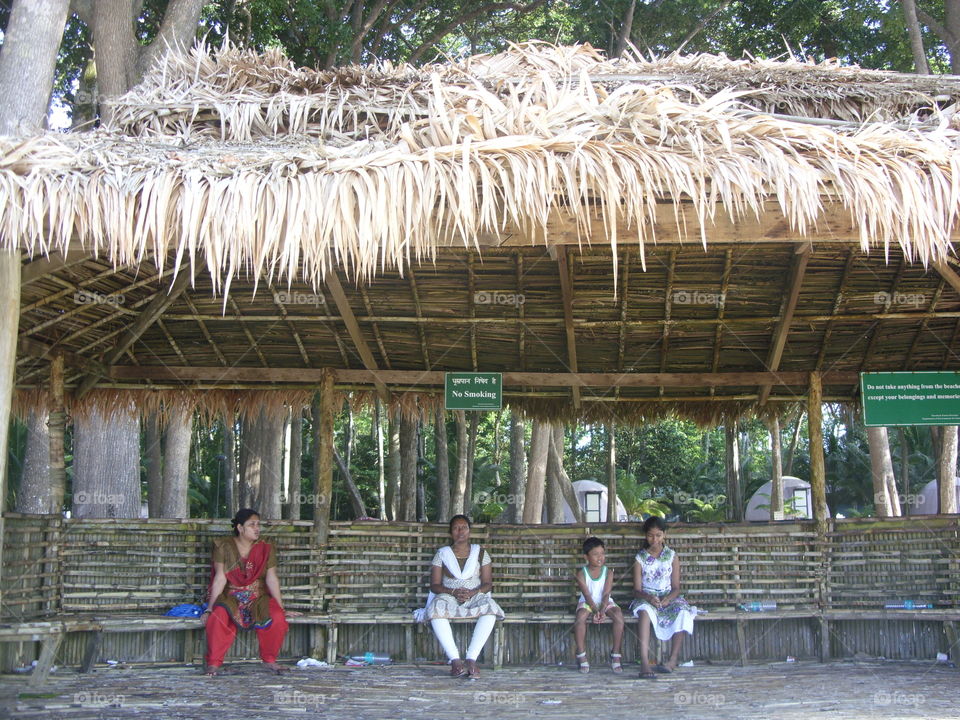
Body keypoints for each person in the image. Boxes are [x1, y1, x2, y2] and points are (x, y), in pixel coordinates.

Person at [203, 508, 300, 675]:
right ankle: (213, 663)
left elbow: (271, 578)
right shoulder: (223, 546)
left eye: (258, 524)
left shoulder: (266, 546)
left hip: (258, 597)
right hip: (230, 597)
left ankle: (269, 660)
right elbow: (219, 578)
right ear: (240, 528)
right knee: (218, 617)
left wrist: (281, 607)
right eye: (252, 525)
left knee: (277, 618)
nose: (257, 528)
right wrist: (210, 608)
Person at [423, 514, 505, 678]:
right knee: (435, 610)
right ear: (450, 532)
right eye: (456, 528)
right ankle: (455, 660)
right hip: (449, 595)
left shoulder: (481, 553)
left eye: (464, 527)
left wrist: (473, 592)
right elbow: (435, 585)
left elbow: (488, 583)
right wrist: (453, 592)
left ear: (469, 531)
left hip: (475, 595)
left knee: (491, 609)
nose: (460, 531)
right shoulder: (442, 554)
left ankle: (471, 658)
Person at [630, 516, 697, 679]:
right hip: (647, 598)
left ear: (664, 535)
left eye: (658, 535)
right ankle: (645, 663)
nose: (655, 539)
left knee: (682, 611)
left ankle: (672, 660)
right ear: (645, 536)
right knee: (644, 612)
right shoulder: (640, 558)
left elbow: (676, 588)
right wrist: (649, 598)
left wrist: (668, 599)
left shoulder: (672, 556)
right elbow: (637, 590)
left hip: (668, 597)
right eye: (651, 535)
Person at [573, 536, 625, 674]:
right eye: (595, 554)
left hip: (605, 602)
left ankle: (616, 654)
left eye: (602, 553)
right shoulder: (581, 574)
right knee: (580, 617)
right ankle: (581, 654)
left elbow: (606, 593)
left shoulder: (608, 572)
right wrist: (595, 611)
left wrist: (601, 610)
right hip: (587, 602)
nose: (600, 557)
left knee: (619, 616)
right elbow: (587, 595)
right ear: (586, 557)